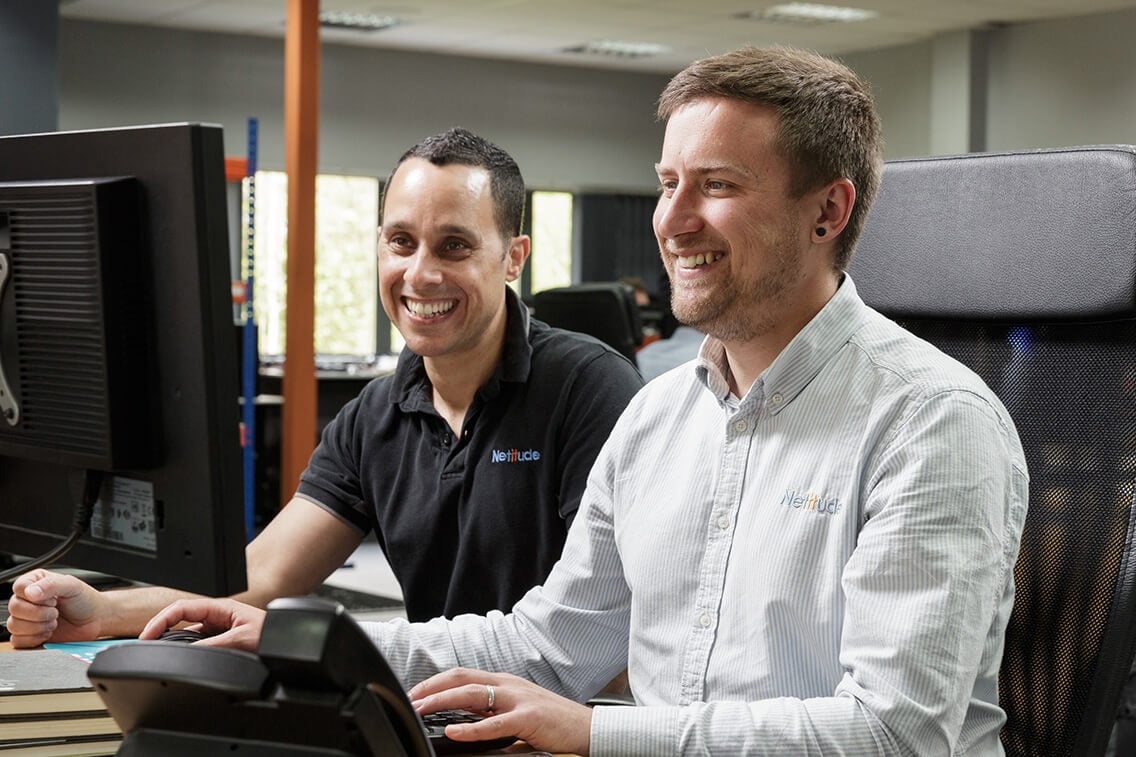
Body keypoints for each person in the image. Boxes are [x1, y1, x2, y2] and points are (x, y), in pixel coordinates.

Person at [142, 47, 1028, 756]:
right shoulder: (659, 419)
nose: (672, 219)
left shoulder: (929, 422)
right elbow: (549, 643)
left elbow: (893, 733)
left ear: (827, 210)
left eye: (716, 186)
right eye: (667, 182)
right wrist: (292, 635)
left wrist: (596, 734)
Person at [5, 127, 643, 647]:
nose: (420, 274)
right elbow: (263, 576)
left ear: (513, 258)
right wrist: (101, 610)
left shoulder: (588, 389)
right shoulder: (377, 416)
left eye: (454, 247)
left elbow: (597, 626)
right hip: (439, 708)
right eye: (401, 242)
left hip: (563, 720)